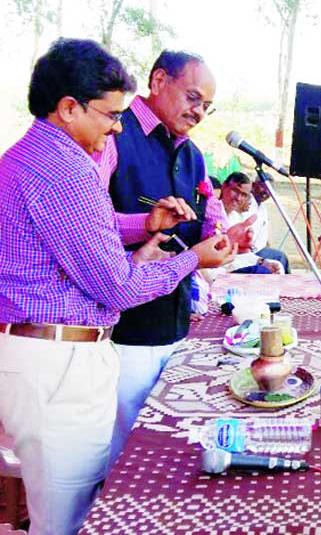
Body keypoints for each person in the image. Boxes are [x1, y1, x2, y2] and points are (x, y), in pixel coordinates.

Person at [0, 39, 235, 535]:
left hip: (43, 358)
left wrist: (141, 225)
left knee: (69, 504)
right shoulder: (66, 169)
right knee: (71, 517)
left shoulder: (33, 156)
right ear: (69, 108)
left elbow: (81, 228)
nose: (115, 127)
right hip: (58, 366)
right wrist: (194, 258)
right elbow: (119, 286)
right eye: (109, 114)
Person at [96, 49, 254, 466]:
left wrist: (224, 241)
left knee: (168, 449)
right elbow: (86, 226)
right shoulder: (111, 136)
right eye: (192, 97)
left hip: (176, 322)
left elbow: (201, 231)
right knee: (123, 456)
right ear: (159, 81)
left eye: (206, 105)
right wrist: (146, 223)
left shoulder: (193, 156)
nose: (199, 111)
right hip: (122, 332)